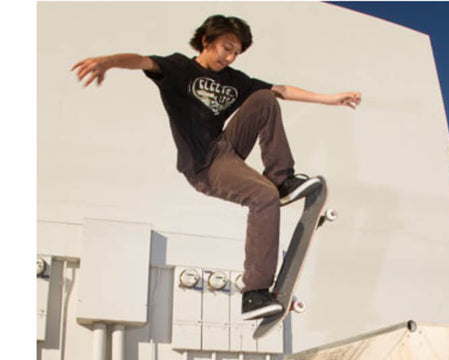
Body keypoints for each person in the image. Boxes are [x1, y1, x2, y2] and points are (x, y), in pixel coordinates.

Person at [72, 14, 361, 320]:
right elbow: (141, 60)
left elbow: (282, 90)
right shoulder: (179, 69)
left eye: (236, 52)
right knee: (263, 197)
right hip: (203, 165)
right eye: (225, 48)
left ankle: (282, 179)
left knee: (264, 98)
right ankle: (254, 294)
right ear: (207, 41)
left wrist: (330, 99)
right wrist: (109, 61)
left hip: (226, 148)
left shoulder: (234, 80)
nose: (229, 57)